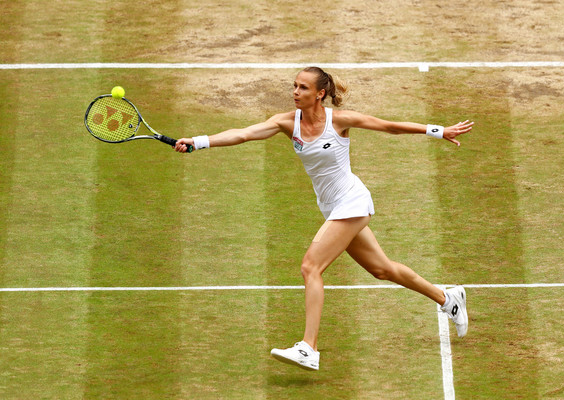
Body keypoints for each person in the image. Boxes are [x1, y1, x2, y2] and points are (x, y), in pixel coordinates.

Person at [174, 66, 474, 371]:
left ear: (320, 94)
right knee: (382, 269)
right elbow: (243, 134)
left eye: (303, 88)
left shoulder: (339, 121)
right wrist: (199, 141)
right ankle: (448, 297)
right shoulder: (285, 122)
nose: (295, 92)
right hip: (332, 207)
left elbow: (388, 126)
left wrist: (438, 130)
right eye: (294, 86)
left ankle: (308, 348)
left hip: (352, 201)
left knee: (310, 266)